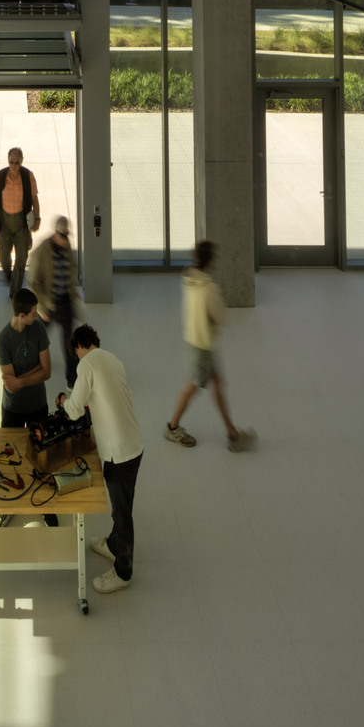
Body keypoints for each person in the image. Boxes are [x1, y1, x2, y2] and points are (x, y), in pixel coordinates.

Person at [59, 323, 143, 594]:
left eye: (76, 354)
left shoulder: (87, 364)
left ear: (79, 348)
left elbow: (73, 410)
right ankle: (113, 546)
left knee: (122, 512)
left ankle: (124, 571)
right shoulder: (113, 359)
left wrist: (62, 400)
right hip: (134, 443)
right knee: (122, 504)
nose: (78, 358)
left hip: (118, 453)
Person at [165, 240, 257, 452]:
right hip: (203, 344)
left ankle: (233, 433)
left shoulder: (188, 278)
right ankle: (172, 426)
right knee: (191, 386)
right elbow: (220, 316)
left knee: (215, 383)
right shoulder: (209, 288)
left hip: (194, 338)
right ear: (212, 260)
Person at [0, 289, 58, 528]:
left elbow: (47, 372)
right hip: (13, 409)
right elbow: (11, 386)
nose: (36, 316)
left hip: (38, 405)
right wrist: (29, 376)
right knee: (8, 457)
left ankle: (45, 505)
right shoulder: (4, 340)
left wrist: (20, 379)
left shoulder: (38, 329)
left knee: (43, 457)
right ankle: (6, 505)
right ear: (22, 314)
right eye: (32, 313)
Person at [0, 147, 40, 299]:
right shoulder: (1, 176)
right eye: (11, 162)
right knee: (3, 258)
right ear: (8, 161)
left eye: (17, 163)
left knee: (21, 260)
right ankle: (8, 273)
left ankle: (15, 292)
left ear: (21, 162)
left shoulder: (28, 176)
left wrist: (38, 219)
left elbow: (34, 198)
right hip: (5, 224)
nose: (14, 166)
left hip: (21, 225)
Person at [26, 214, 80, 340]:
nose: (65, 240)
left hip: (65, 301)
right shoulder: (42, 252)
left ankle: (71, 360)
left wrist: (73, 292)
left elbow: (71, 270)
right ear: (55, 233)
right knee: (37, 337)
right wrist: (41, 308)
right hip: (49, 303)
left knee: (69, 338)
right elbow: (33, 282)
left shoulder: (66, 247)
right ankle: (32, 358)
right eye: (62, 236)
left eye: (66, 235)